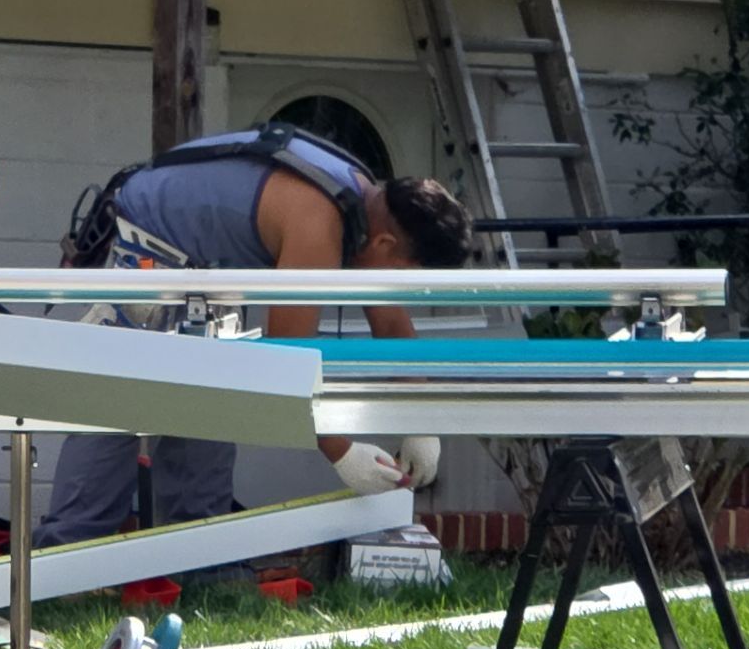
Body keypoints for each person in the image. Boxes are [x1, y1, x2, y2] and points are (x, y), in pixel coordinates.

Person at [33, 125, 471, 548]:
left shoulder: (365, 205)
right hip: (151, 249)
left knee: (214, 399)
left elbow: (390, 323)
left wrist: (421, 421)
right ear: (386, 244)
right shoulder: (319, 225)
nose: (399, 285)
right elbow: (285, 366)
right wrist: (343, 454)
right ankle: (65, 556)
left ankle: (200, 559)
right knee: (118, 402)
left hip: (203, 266)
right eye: (403, 273)